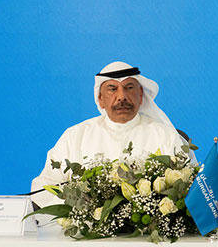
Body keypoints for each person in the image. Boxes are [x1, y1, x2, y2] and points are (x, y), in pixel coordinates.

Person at [31, 61, 192, 208]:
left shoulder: (165, 135)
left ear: (141, 95)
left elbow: (191, 188)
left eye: (129, 87)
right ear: (100, 99)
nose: (122, 97)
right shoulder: (75, 136)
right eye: (112, 89)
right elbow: (44, 187)